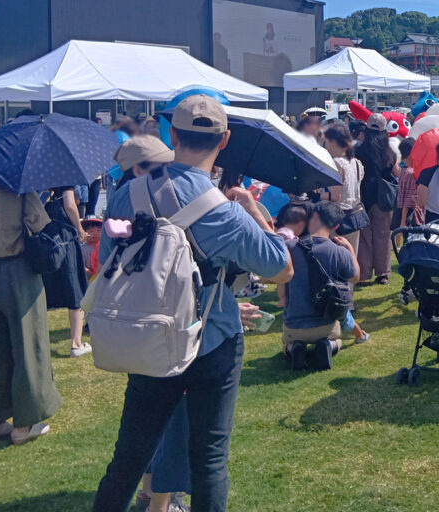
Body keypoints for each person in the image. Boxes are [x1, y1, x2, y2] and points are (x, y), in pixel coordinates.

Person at [92, 95, 293, 512]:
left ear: (172, 134)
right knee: (210, 460)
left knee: (128, 459)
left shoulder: (129, 194)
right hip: (212, 337)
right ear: (224, 140)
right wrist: (255, 212)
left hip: (147, 334)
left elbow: (109, 260)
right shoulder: (224, 212)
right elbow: (281, 268)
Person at [0, 182, 61, 447]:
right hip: (18, 272)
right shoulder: (20, 190)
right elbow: (41, 225)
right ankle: (25, 424)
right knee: (29, 347)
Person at [282, 202, 359, 370]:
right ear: (336, 226)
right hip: (327, 325)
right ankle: (329, 346)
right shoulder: (340, 252)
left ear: (314, 216)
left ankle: (294, 348)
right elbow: (355, 277)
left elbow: (279, 280)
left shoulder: (289, 247)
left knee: (286, 345)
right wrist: (350, 249)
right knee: (336, 340)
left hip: (294, 326)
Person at [40, 187, 92, 356]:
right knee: (74, 287)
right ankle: (76, 344)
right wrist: (79, 228)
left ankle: (38, 340)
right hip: (65, 236)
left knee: (44, 291)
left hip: (45, 236)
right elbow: (70, 205)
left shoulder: (36, 181)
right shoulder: (64, 176)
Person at [356, 114, 398, 286]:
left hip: (363, 196)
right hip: (384, 198)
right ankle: (383, 274)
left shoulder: (358, 150)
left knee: (364, 237)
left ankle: (363, 273)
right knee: (383, 235)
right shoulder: (389, 152)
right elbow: (396, 173)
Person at [322, 122, 365, 256]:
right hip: (355, 217)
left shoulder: (336, 163)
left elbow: (335, 195)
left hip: (338, 219)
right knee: (351, 258)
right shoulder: (356, 162)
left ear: (334, 141)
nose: (325, 144)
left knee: (336, 259)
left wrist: (318, 195)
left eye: (327, 141)